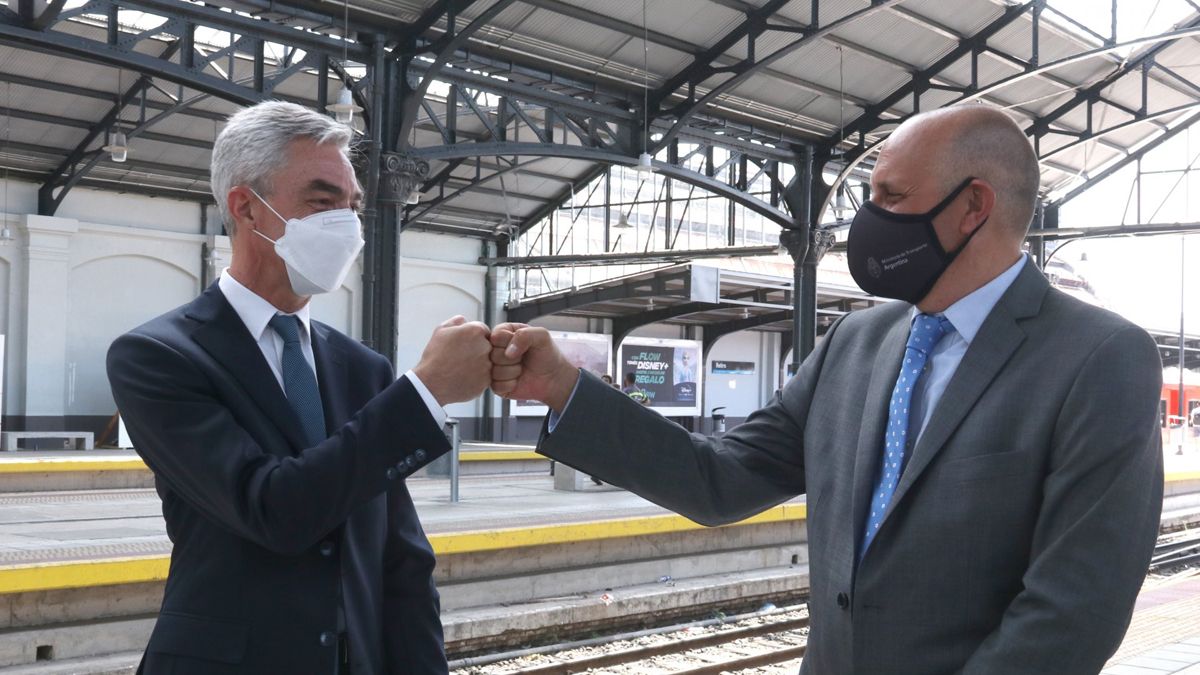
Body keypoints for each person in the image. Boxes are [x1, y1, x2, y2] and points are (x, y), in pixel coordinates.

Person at [489, 105, 1164, 675]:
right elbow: (720, 478)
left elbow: (1074, 609)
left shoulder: (1099, 358)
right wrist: (564, 386)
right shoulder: (855, 344)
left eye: (891, 198)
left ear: (973, 207)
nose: (867, 222)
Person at [107, 101, 492, 675]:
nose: (346, 223)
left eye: (352, 205)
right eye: (321, 202)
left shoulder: (361, 368)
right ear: (246, 208)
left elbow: (401, 563)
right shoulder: (159, 358)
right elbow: (273, 508)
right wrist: (426, 392)